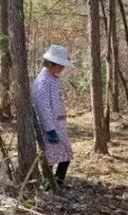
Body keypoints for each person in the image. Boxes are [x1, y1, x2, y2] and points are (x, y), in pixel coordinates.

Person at [32, 45, 74, 187]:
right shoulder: (42, 82)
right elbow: (42, 107)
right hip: (51, 127)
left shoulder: (52, 79)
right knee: (49, 159)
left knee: (65, 156)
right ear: (52, 63)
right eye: (60, 65)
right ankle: (49, 185)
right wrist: (50, 129)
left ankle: (56, 184)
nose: (62, 68)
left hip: (59, 125)